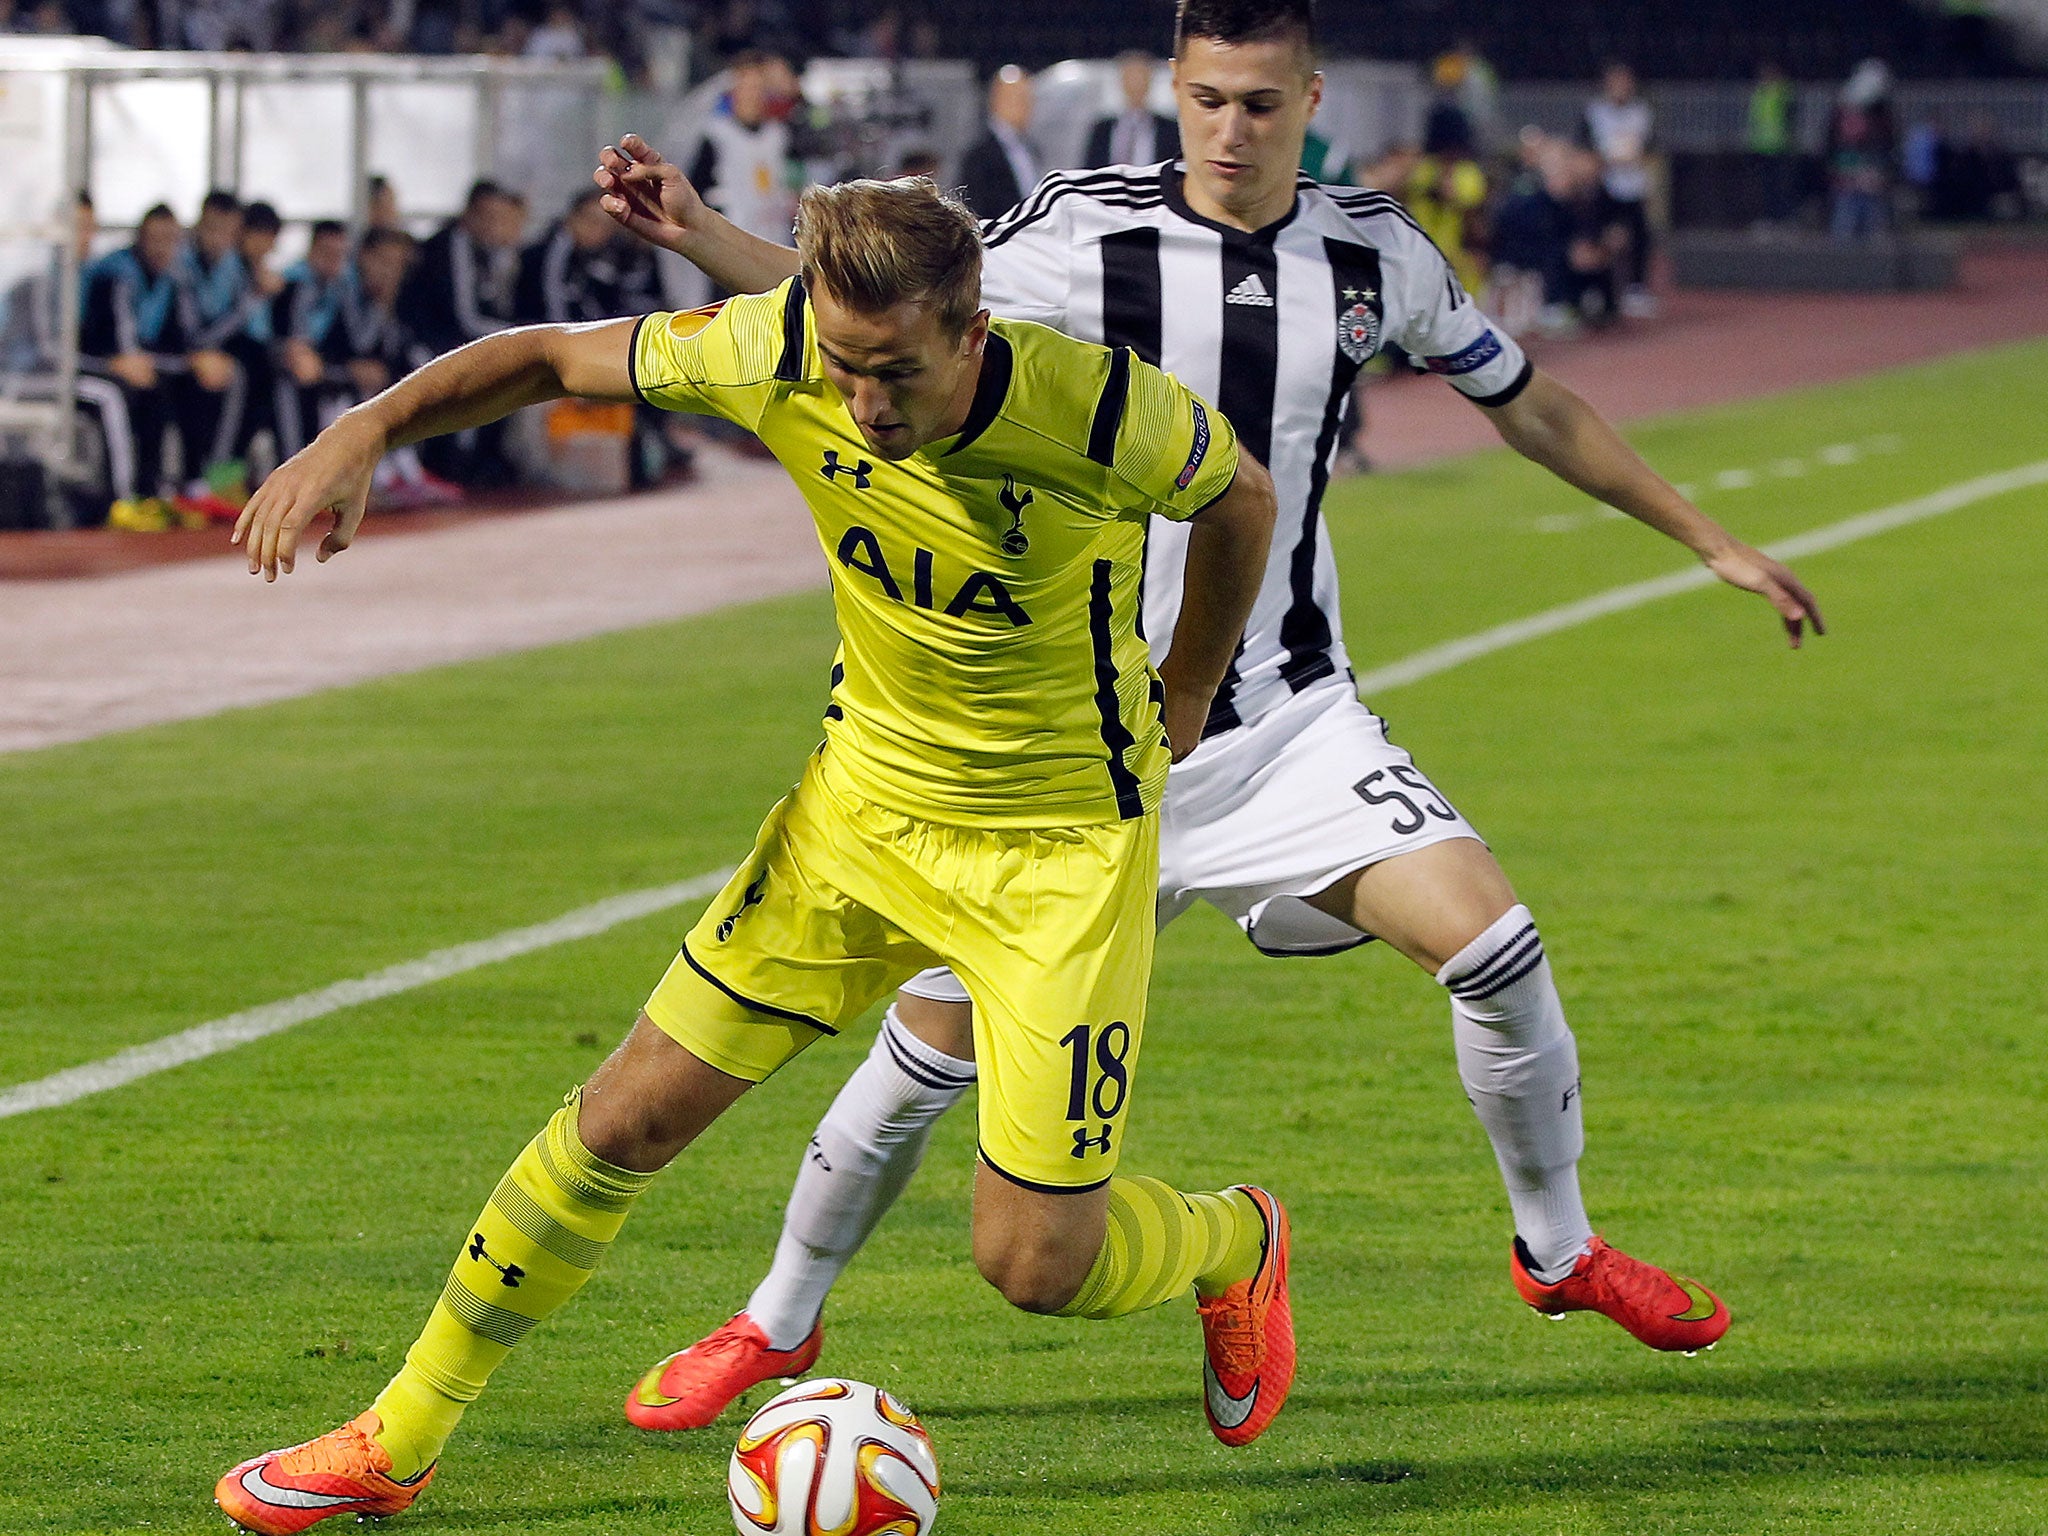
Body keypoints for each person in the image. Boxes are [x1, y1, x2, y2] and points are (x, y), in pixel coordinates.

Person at [592, 0, 1825, 1434]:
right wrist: (697, 235)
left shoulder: (1377, 252)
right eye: (1207, 100)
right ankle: (776, 1320)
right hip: (1076, 757)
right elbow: (862, 332)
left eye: (1260, 103)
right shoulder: (1072, 236)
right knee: (926, 1052)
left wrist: (1709, 539)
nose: (1231, 131)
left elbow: (1530, 403)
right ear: (1173, 91)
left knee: (1494, 942)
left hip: (1288, 717)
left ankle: (1556, 1253)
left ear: (1310, 97)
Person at [213, 173, 1289, 1535]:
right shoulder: (776, 349)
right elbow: (547, 357)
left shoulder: (1099, 407)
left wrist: (1190, 685)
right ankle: (400, 1434)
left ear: (972, 331)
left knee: (1034, 1265)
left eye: (896, 373)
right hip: (858, 824)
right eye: (843, 369)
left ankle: (1234, 1238)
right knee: (625, 1117)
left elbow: (1241, 497)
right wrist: (364, 425)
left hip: (1059, 859)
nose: (864, 406)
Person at [79, 203, 241, 529]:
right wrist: (127, 361)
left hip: (146, 362)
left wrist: (197, 359)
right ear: (139, 239)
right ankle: (131, 496)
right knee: (144, 388)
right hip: (102, 361)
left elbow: (183, 338)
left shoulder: (176, 276)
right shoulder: (116, 273)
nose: (161, 248)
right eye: (154, 239)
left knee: (208, 378)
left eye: (170, 240)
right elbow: (117, 343)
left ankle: (197, 484)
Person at [0, 190, 138, 527]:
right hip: (26, 379)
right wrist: (109, 367)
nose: (86, 236)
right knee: (108, 395)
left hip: (61, 375)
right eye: (78, 227)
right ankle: (123, 499)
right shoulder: (39, 280)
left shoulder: (86, 279)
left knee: (135, 389)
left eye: (91, 228)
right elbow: (49, 354)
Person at [398, 179, 526, 484]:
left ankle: (483, 459)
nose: (495, 226)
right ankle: (450, 462)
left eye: (501, 219)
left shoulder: (490, 252)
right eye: (489, 217)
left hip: (456, 338)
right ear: (470, 215)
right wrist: (520, 334)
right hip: (423, 341)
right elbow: (465, 317)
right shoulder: (452, 246)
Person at [681, 49, 798, 260]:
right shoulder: (716, 137)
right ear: (735, 91)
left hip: (775, 241)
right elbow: (696, 190)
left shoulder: (779, 136)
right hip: (732, 247)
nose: (753, 95)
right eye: (747, 87)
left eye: (759, 88)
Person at [1580, 60, 1656, 317]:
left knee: (1640, 237)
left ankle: (1636, 287)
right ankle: (1595, 290)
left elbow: (1651, 146)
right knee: (1597, 235)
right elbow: (1585, 146)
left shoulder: (1643, 112)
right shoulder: (1595, 112)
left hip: (1634, 182)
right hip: (1605, 183)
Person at [958, 64, 1040, 219]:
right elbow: (975, 210)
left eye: (1029, 99)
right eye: (1020, 99)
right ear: (998, 100)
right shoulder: (979, 156)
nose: (1027, 107)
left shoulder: (1031, 149)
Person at [1084, 50, 1180, 170]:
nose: (1135, 84)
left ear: (1150, 81)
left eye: (1141, 77)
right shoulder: (1102, 129)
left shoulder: (1170, 130)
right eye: (1130, 77)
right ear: (1121, 81)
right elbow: (1089, 169)